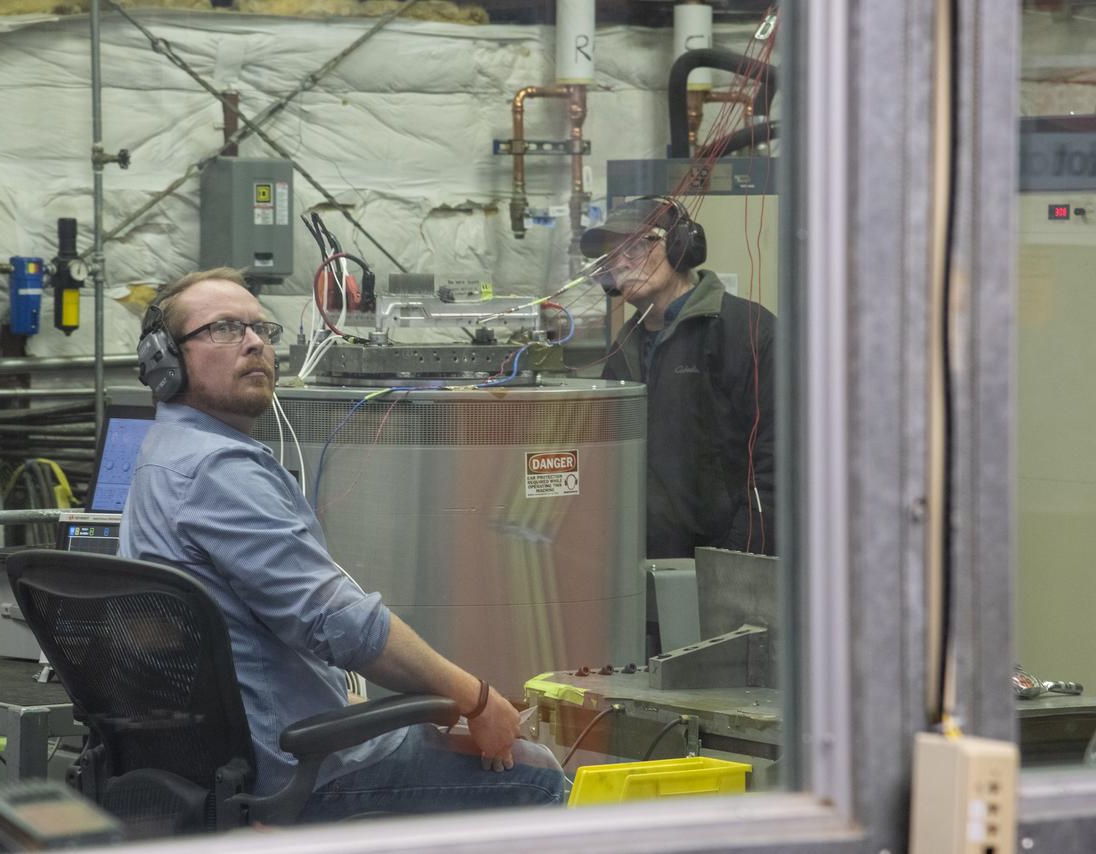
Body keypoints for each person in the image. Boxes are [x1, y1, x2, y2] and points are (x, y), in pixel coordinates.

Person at [119, 267, 565, 823]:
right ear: (165, 360)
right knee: (537, 775)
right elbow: (341, 624)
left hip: (236, 755)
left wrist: (333, 697)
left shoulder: (167, 451)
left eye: (261, 329)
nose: (256, 342)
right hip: (294, 770)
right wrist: (475, 698)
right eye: (226, 328)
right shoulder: (216, 468)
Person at [581, 196, 776, 559]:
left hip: (724, 567)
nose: (621, 262)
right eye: (612, 254)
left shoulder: (745, 332)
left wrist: (733, 563)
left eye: (638, 245)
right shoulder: (624, 350)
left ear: (682, 246)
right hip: (642, 565)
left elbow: (778, 465)